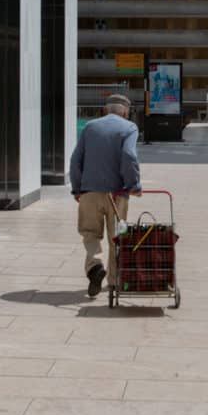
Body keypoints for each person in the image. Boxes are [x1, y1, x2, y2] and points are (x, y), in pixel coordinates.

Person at [69, 94, 142, 297]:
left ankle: (94, 267)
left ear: (104, 109)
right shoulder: (129, 128)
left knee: (90, 233)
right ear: (126, 112)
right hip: (117, 193)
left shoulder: (90, 127)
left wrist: (77, 188)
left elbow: (76, 159)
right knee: (116, 238)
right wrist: (134, 184)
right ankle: (113, 282)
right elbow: (129, 155)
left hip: (89, 191)